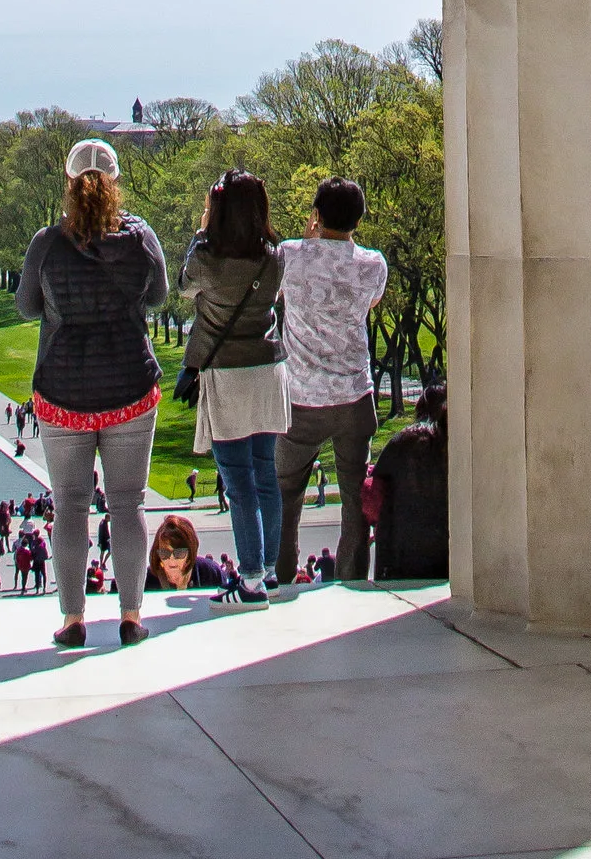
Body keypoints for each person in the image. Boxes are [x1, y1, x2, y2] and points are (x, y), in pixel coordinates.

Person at [16, 137, 167, 651]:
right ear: (115, 183)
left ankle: (73, 619)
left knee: (72, 506)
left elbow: (26, 307)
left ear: (69, 183)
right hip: (128, 385)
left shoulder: (46, 241)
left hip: (64, 391)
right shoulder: (141, 237)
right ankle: (130, 615)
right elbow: (160, 296)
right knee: (128, 505)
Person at [178, 170, 286, 601]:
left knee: (238, 481)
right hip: (267, 370)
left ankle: (252, 577)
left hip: (227, 374)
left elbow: (186, 288)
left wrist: (200, 234)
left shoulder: (207, 257)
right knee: (265, 476)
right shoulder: (273, 256)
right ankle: (270, 569)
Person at [274, 176, 387, 586]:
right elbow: (370, 302)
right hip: (354, 397)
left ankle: (283, 580)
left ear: (316, 215)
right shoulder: (373, 264)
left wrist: (309, 241)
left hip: (300, 399)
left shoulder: (289, 255)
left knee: (286, 499)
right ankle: (352, 582)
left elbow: (280, 294)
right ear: (358, 219)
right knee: (355, 503)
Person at [364, 374, 450, 581]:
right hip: (444, 551)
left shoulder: (401, 440)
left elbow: (372, 493)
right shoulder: (454, 444)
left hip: (399, 551)